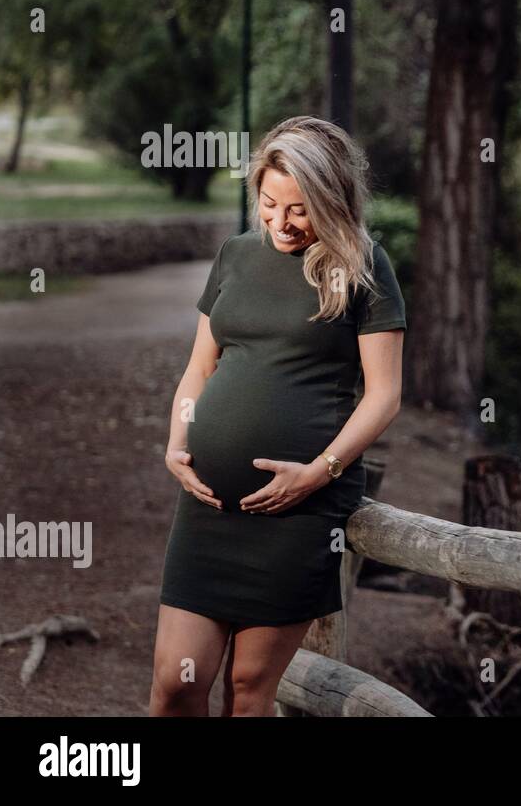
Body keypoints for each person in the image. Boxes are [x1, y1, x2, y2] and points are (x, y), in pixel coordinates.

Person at [149, 116, 407, 716]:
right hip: (208, 505)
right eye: (269, 204)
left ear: (332, 201)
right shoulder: (236, 255)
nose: (281, 223)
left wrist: (320, 471)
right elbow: (199, 367)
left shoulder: (365, 268)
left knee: (248, 689)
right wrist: (176, 440)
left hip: (299, 512)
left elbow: (384, 395)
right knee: (176, 681)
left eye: (299, 210)